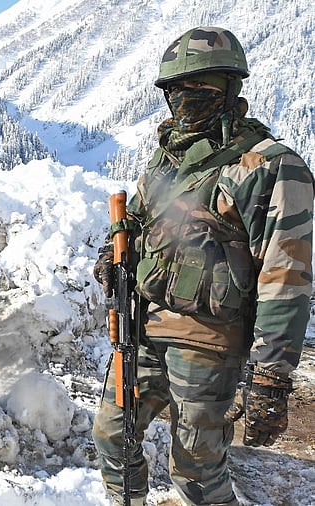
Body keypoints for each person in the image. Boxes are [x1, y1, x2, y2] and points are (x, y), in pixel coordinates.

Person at [92, 27, 313, 506]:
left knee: (195, 471)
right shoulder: (168, 159)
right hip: (143, 328)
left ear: (231, 89)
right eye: (175, 90)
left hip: (212, 341)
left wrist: (271, 377)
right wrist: (111, 258)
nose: (183, 99)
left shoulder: (270, 166)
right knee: (111, 435)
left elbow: (286, 277)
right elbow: (136, 220)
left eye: (200, 87)